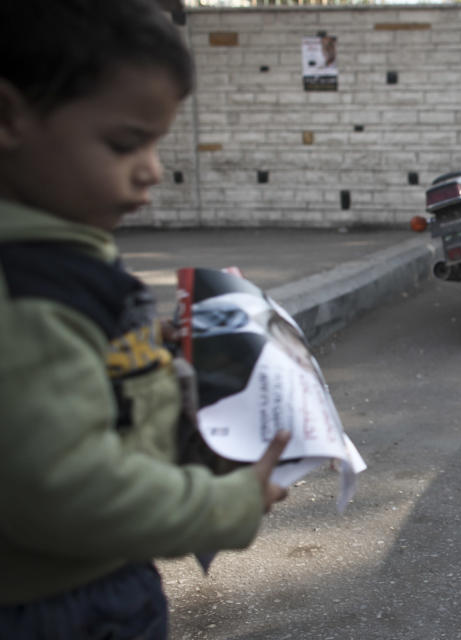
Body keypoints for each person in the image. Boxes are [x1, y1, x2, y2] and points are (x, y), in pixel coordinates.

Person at [0, 1, 291, 637]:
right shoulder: (21, 295)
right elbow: (63, 489)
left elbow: (93, 378)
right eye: (125, 143)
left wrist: (177, 344)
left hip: (106, 581)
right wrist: (226, 505)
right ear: (9, 117)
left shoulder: (64, 255)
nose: (153, 170)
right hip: (56, 608)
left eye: (157, 143)